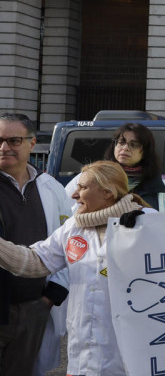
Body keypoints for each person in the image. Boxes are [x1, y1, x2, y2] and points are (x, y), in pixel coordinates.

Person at [0, 161, 151, 376]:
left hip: (126, 359)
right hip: (82, 356)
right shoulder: (73, 227)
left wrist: (147, 232)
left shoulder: (145, 222)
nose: (74, 194)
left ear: (108, 193)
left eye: (83, 187)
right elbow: (34, 262)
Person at [0, 113, 72, 376]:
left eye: (14, 140)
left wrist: (49, 298)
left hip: (33, 308)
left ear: (32, 143)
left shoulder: (51, 188)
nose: (4, 147)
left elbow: (68, 242)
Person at [65, 122, 165, 211]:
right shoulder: (88, 178)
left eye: (134, 144)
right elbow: (65, 210)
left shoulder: (161, 186)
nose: (125, 148)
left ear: (145, 151)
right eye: (121, 142)